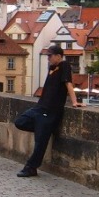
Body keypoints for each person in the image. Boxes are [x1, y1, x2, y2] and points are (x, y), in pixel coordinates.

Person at [14, 44, 80, 177]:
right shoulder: (52, 68)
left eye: (50, 56)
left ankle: (31, 167)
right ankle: (43, 130)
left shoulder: (64, 66)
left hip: (50, 111)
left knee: (40, 143)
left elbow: (68, 84)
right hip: (39, 108)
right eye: (47, 56)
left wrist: (75, 102)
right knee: (19, 122)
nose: (48, 58)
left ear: (59, 56)